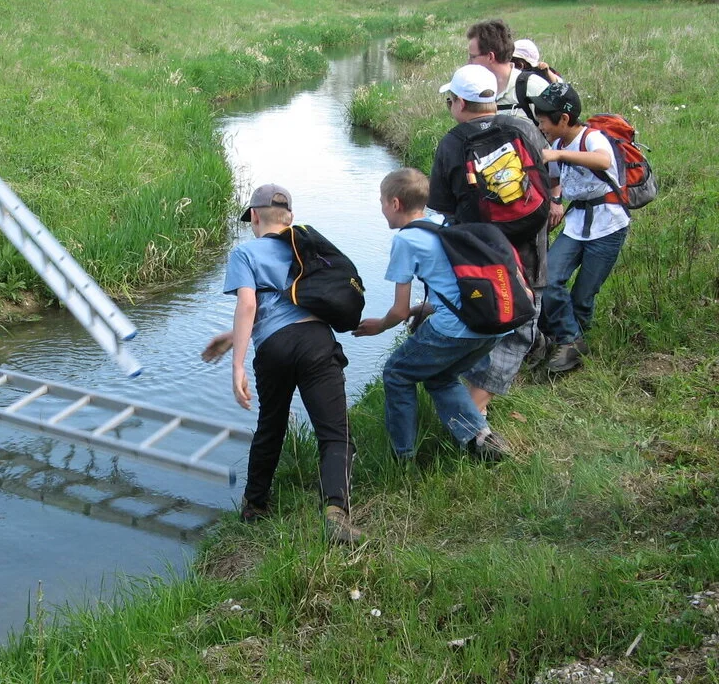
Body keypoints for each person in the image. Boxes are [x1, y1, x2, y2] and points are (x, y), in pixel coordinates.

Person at [201, 183, 364, 545]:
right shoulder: (305, 247)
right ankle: (336, 511)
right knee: (335, 433)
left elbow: (251, 306)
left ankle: (255, 507)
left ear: (254, 217)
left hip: (274, 348)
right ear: (289, 216)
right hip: (316, 342)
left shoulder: (245, 254)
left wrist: (237, 365)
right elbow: (296, 301)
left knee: (270, 428)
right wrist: (232, 338)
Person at [354, 168, 508, 462]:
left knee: (397, 373)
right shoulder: (444, 222)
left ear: (395, 204)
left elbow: (398, 311)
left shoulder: (406, 240)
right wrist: (421, 309)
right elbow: (454, 285)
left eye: (382, 202)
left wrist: (380, 326)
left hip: (456, 327)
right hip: (493, 322)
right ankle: (481, 439)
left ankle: (402, 455)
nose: (382, 209)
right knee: (441, 376)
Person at [427, 64, 555, 413]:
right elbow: (549, 177)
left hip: (481, 251)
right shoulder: (523, 127)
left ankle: (470, 408)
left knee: (483, 314)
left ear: (459, 103)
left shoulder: (452, 143)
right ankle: (478, 404)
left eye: (450, 100)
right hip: (531, 241)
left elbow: (440, 209)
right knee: (522, 320)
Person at [532, 82, 630, 372]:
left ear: (563, 119)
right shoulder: (558, 145)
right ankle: (569, 340)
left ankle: (571, 348)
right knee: (551, 278)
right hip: (577, 224)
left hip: (609, 225)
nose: (540, 126)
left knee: (584, 294)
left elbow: (603, 160)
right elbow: (554, 179)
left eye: (543, 120)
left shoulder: (592, 138)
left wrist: (559, 156)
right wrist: (556, 200)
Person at [467, 19, 553, 125]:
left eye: (472, 57)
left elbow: (558, 135)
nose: (468, 63)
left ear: (490, 57)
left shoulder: (533, 87)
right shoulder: (473, 91)